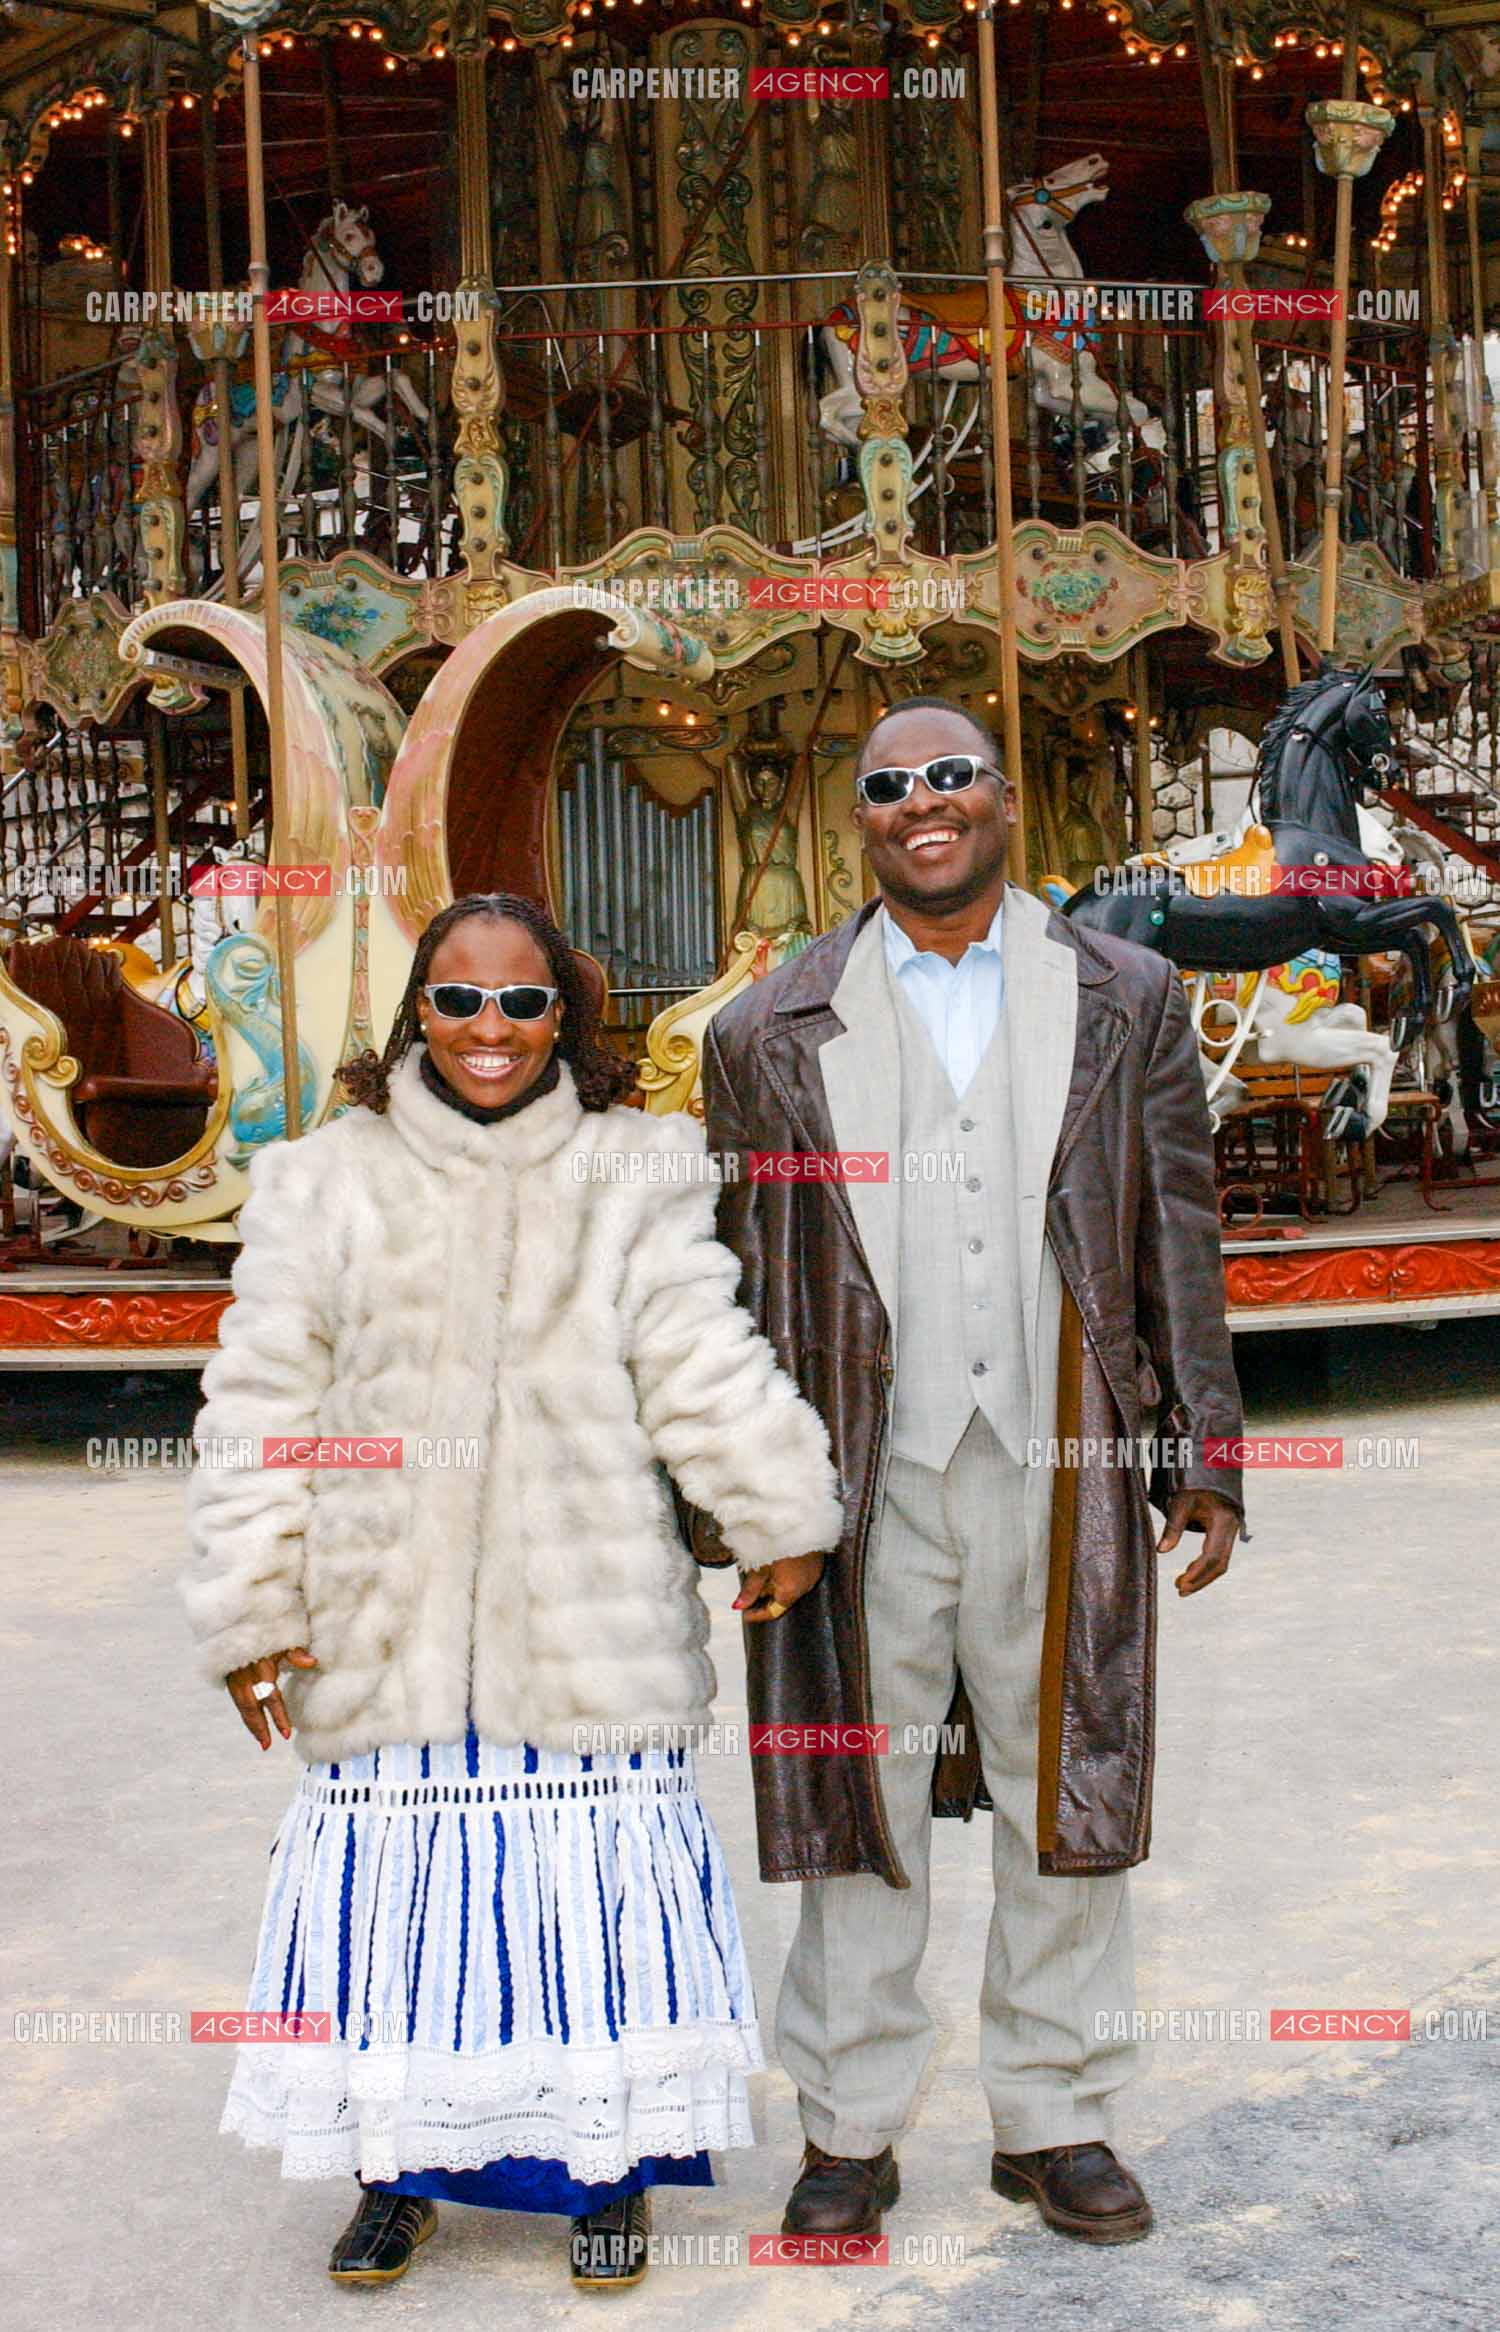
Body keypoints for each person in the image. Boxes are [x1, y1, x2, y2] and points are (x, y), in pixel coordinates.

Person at [180, 892, 844, 2291]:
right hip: (386, 1614)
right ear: (418, 1007)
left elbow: (696, 1353)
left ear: (566, 1017)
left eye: (523, 1001)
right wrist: (251, 1601)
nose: (492, 1028)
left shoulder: (636, 1168)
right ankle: (396, 2173)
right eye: (462, 998)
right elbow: (260, 1405)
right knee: (403, 1907)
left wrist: (776, 1500)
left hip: (581, 1617)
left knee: (583, 1902)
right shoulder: (324, 1178)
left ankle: (607, 2173)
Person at [693, 696, 1245, 2249]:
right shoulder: (767, 1029)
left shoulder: (1125, 995)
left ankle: (1054, 2117)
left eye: (949, 777)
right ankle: (850, 2128)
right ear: (854, 821)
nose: (919, 803)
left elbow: (1175, 1230)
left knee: (1062, 1785)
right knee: (853, 1795)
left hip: (1060, 1459)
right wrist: (736, 1494)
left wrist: (1202, 1450)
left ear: (1005, 799)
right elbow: (729, 1272)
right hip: (857, 1480)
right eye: (886, 787)